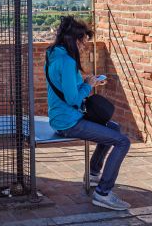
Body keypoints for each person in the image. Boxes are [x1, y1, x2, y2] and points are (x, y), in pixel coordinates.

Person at [46, 16, 131, 210]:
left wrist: (84, 81)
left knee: (114, 128)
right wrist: (88, 85)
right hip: (69, 122)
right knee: (122, 141)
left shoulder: (53, 54)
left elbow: (62, 84)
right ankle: (103, 193)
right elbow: (73, 99)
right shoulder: (67, 60)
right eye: (82, 41)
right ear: (73, 40)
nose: (84, 45)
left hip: (60, 116)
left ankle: (93, 174)